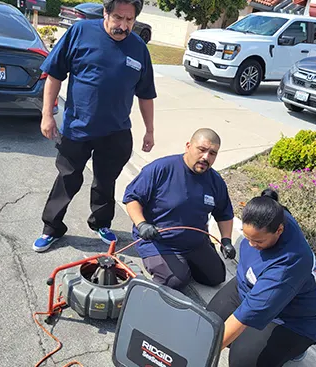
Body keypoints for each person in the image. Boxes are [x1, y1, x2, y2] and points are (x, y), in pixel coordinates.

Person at [33, 0, 157, 252]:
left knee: (105, 180)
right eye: (118, 18)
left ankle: (101, 223)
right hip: (78, 127)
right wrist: (47, 114)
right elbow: (55, 74)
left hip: (116, 130)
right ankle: (51, 227)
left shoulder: (139, 48)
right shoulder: (81, 32)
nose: (123, 25)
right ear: (105, 12)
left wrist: (150, 130)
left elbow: (145, 93)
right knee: (67, 178)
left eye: (129, 20)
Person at [206, 188, 316, 367]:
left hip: (289, 316)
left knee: (243, 361)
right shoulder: (275, 215)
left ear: (279, 230)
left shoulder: (290, 262)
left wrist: (202, 355)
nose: (251, 244)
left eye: (258, 242)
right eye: (247, 236)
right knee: (208, 326)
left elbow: (246, 314)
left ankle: (292, 349)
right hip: (249, 286)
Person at [122, 128, 235, 290]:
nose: (206, 157)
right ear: (188, 146)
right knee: (175, 281)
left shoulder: (215, 181)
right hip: (159, 241)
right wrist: (141, 224)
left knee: (216, 277)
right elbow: (132, 199)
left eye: (212, 153)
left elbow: (224, 213)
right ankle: (166, 267)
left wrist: (226, 241)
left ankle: (186, 262)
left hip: (195, 242)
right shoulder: (161, 169)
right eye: (202, 150)